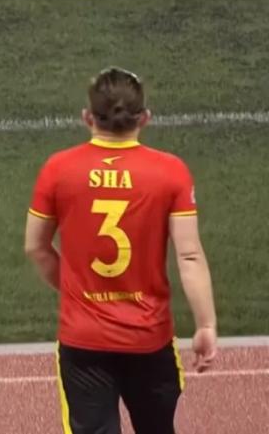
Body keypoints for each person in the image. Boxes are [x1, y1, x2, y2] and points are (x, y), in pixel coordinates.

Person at [24, 67, 217, 434]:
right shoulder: (170, 172)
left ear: (87, 117)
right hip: (149, 338)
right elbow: (189, 256)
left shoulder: (58, 169)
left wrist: (75, 290)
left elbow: (36, 247)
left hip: (83, 340)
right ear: (145, 118)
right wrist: (205, 325)